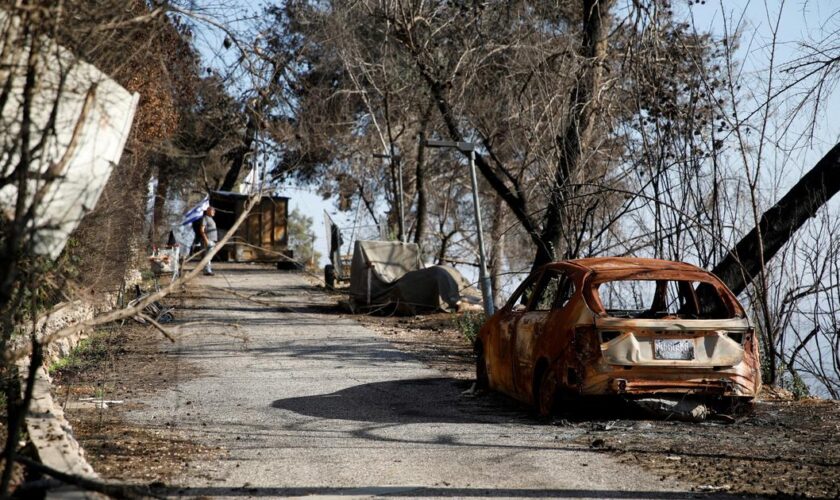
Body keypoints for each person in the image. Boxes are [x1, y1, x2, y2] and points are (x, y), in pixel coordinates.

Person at [192, 206, 218, 275]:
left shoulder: (211, 219)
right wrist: (206, 239)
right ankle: (207, 271)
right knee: (207, 256)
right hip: (208, 239)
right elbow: (202, 229)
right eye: (212, 210)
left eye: (214, 211)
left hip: (212, 240)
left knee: (209, 256)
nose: (214, 212)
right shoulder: (205, 218)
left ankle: (207, 270)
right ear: (208, 211)